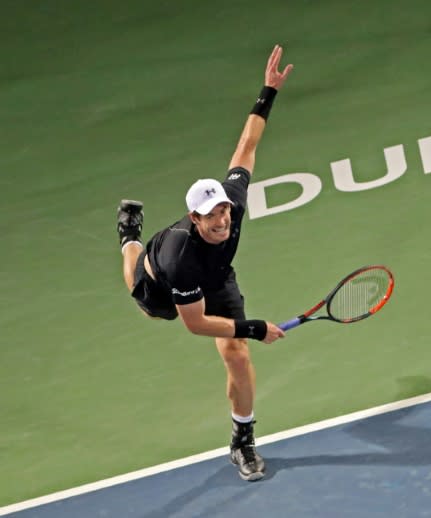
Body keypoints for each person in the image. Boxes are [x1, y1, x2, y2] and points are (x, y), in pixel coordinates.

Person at [116, 44, 293, 481]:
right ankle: (128, 238)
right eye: (212, 214)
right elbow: (193, 324)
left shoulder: (233, 202)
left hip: (215, 278)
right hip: (163, 280)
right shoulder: (181, 257)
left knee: (237, 354)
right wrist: (254, 326)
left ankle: (242, 440)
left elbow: (246, 148)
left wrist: (267, 92)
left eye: (224, 210)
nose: (223, 218)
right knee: (144, 300)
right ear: (195, 218)